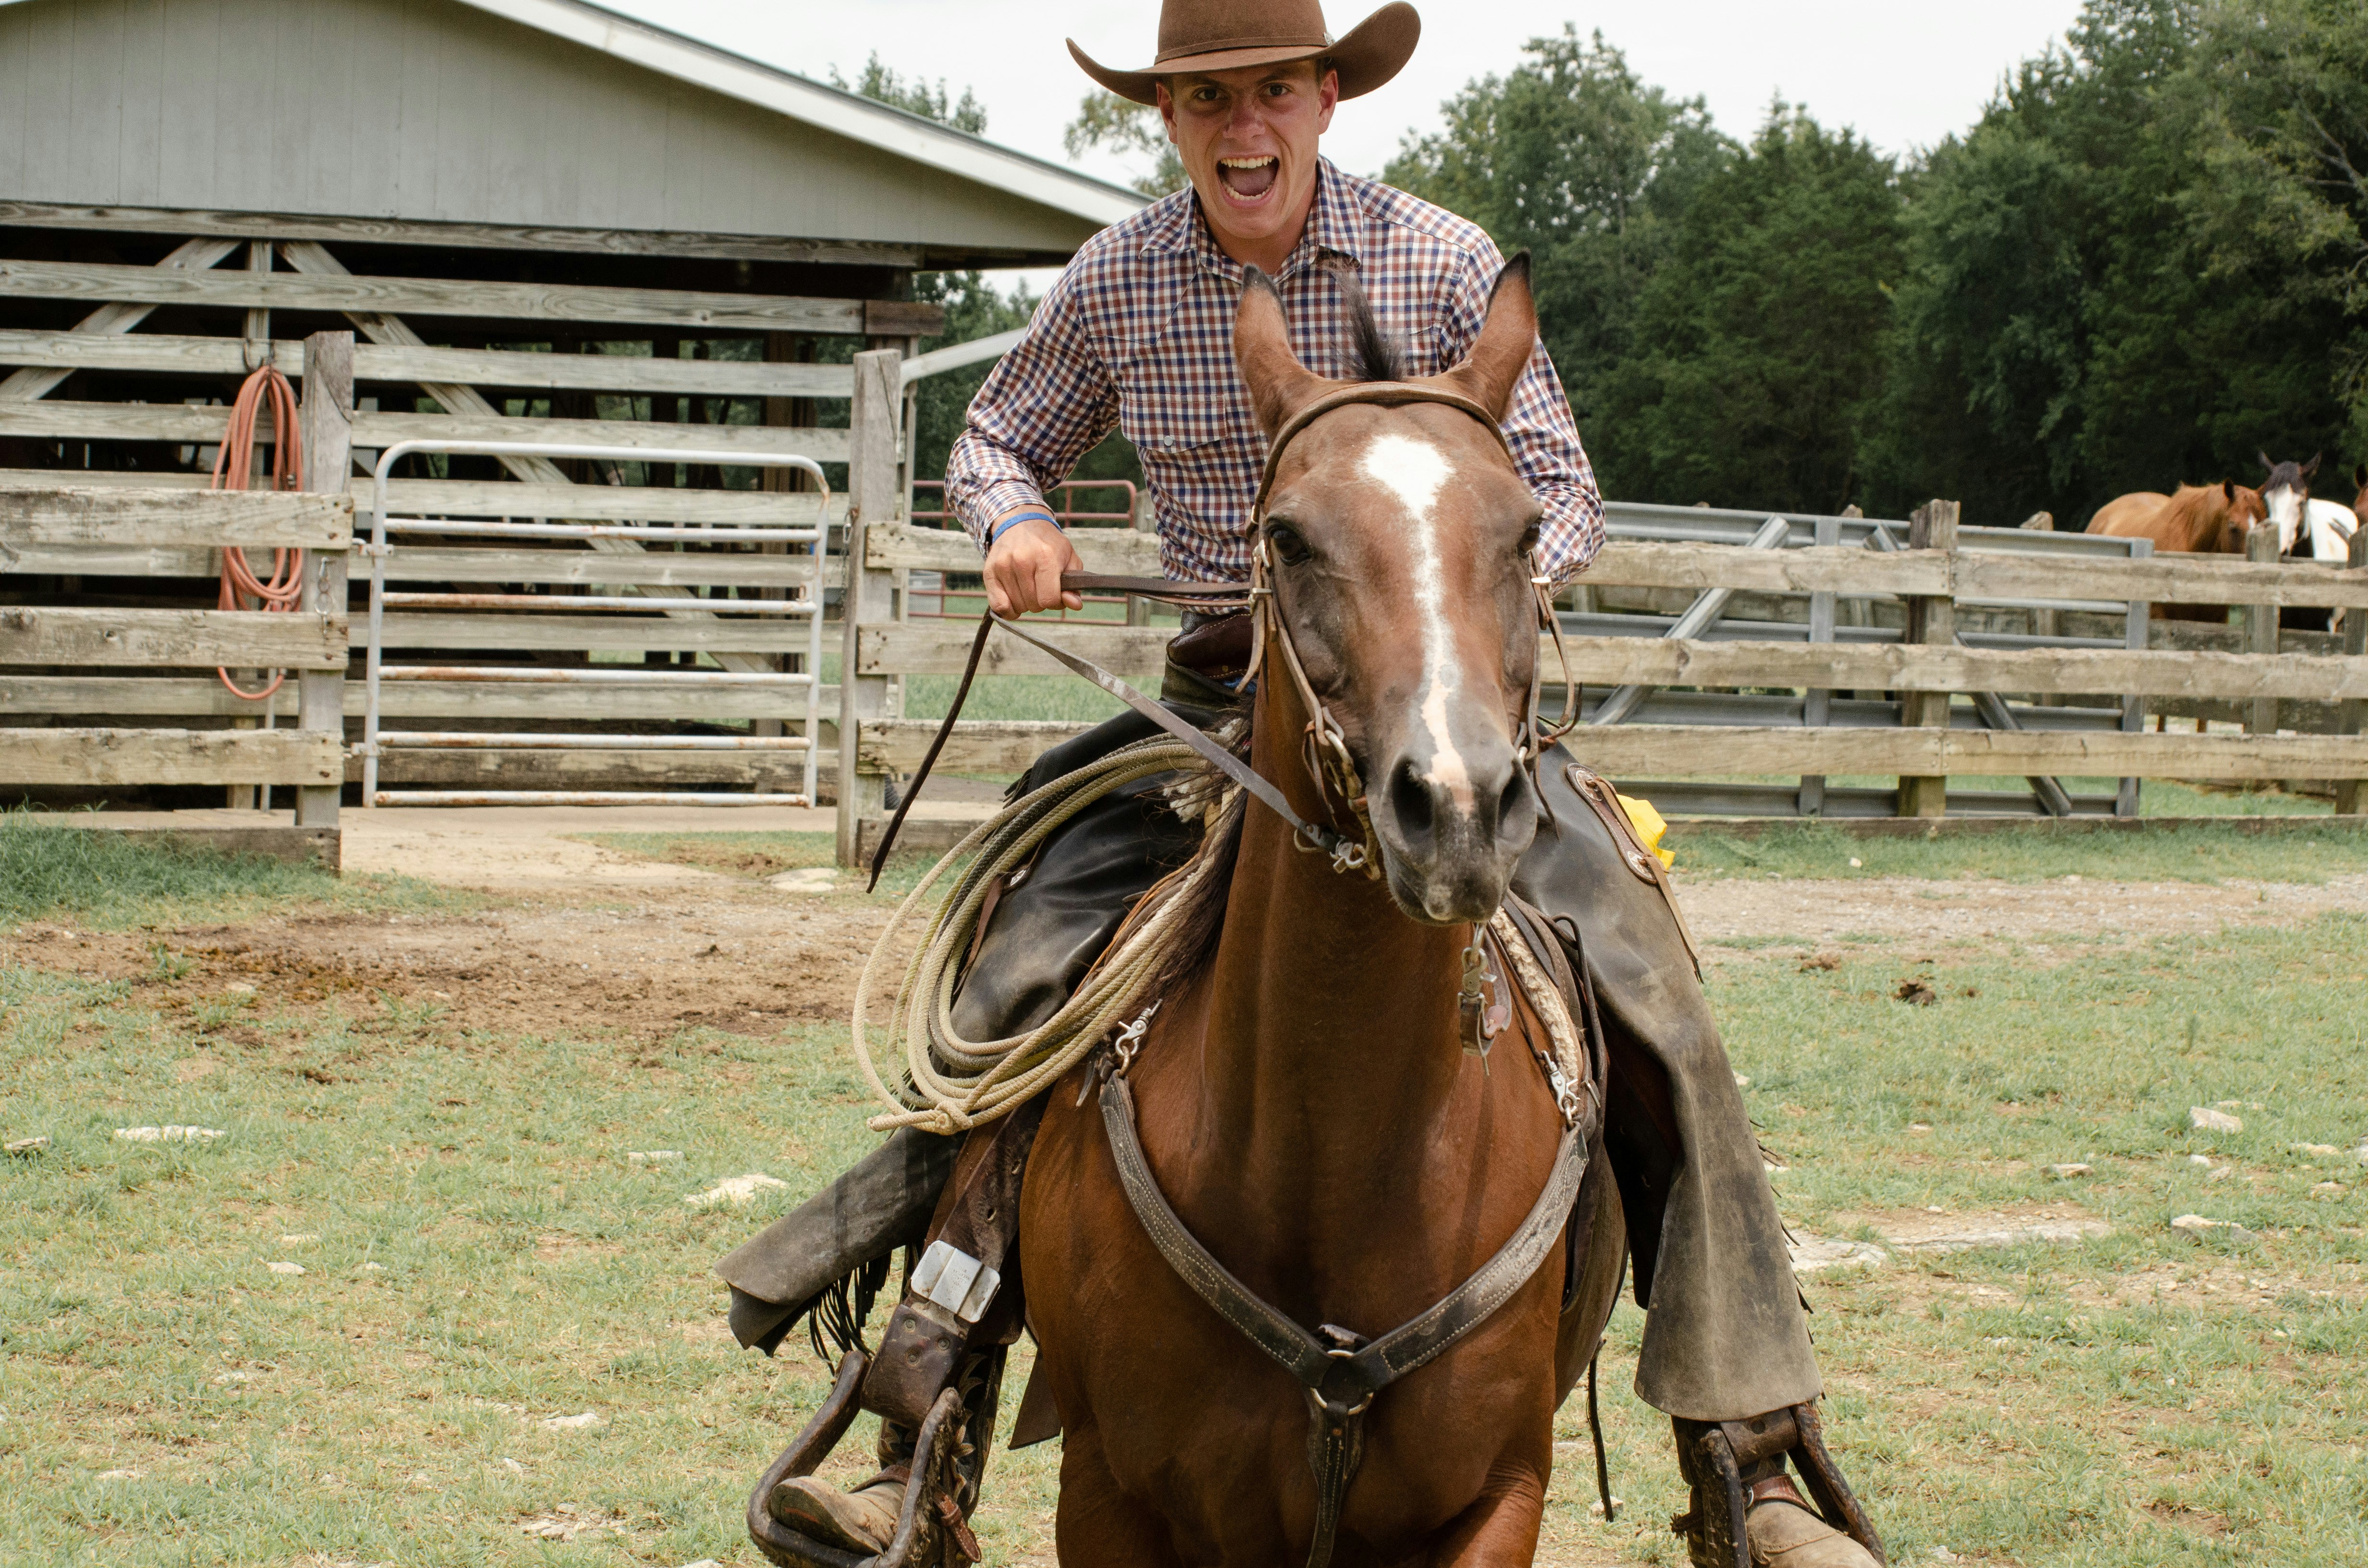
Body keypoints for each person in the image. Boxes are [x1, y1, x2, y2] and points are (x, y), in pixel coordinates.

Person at [723, 5, 1885, 1565]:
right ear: (1172, 118)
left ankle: (1749, 1457)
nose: (1243, 124)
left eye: (1273, 87)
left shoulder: (1442, 262)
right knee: (1018, 967)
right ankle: (918, 1421)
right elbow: (998, 431)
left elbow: (1566, 492)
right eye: (1209, 98)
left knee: (1651, 985)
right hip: (1214, 718)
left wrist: (1461, 575)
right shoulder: (1121, 277)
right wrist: (1014, 519)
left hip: (1448, 711)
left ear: (1326, 97)